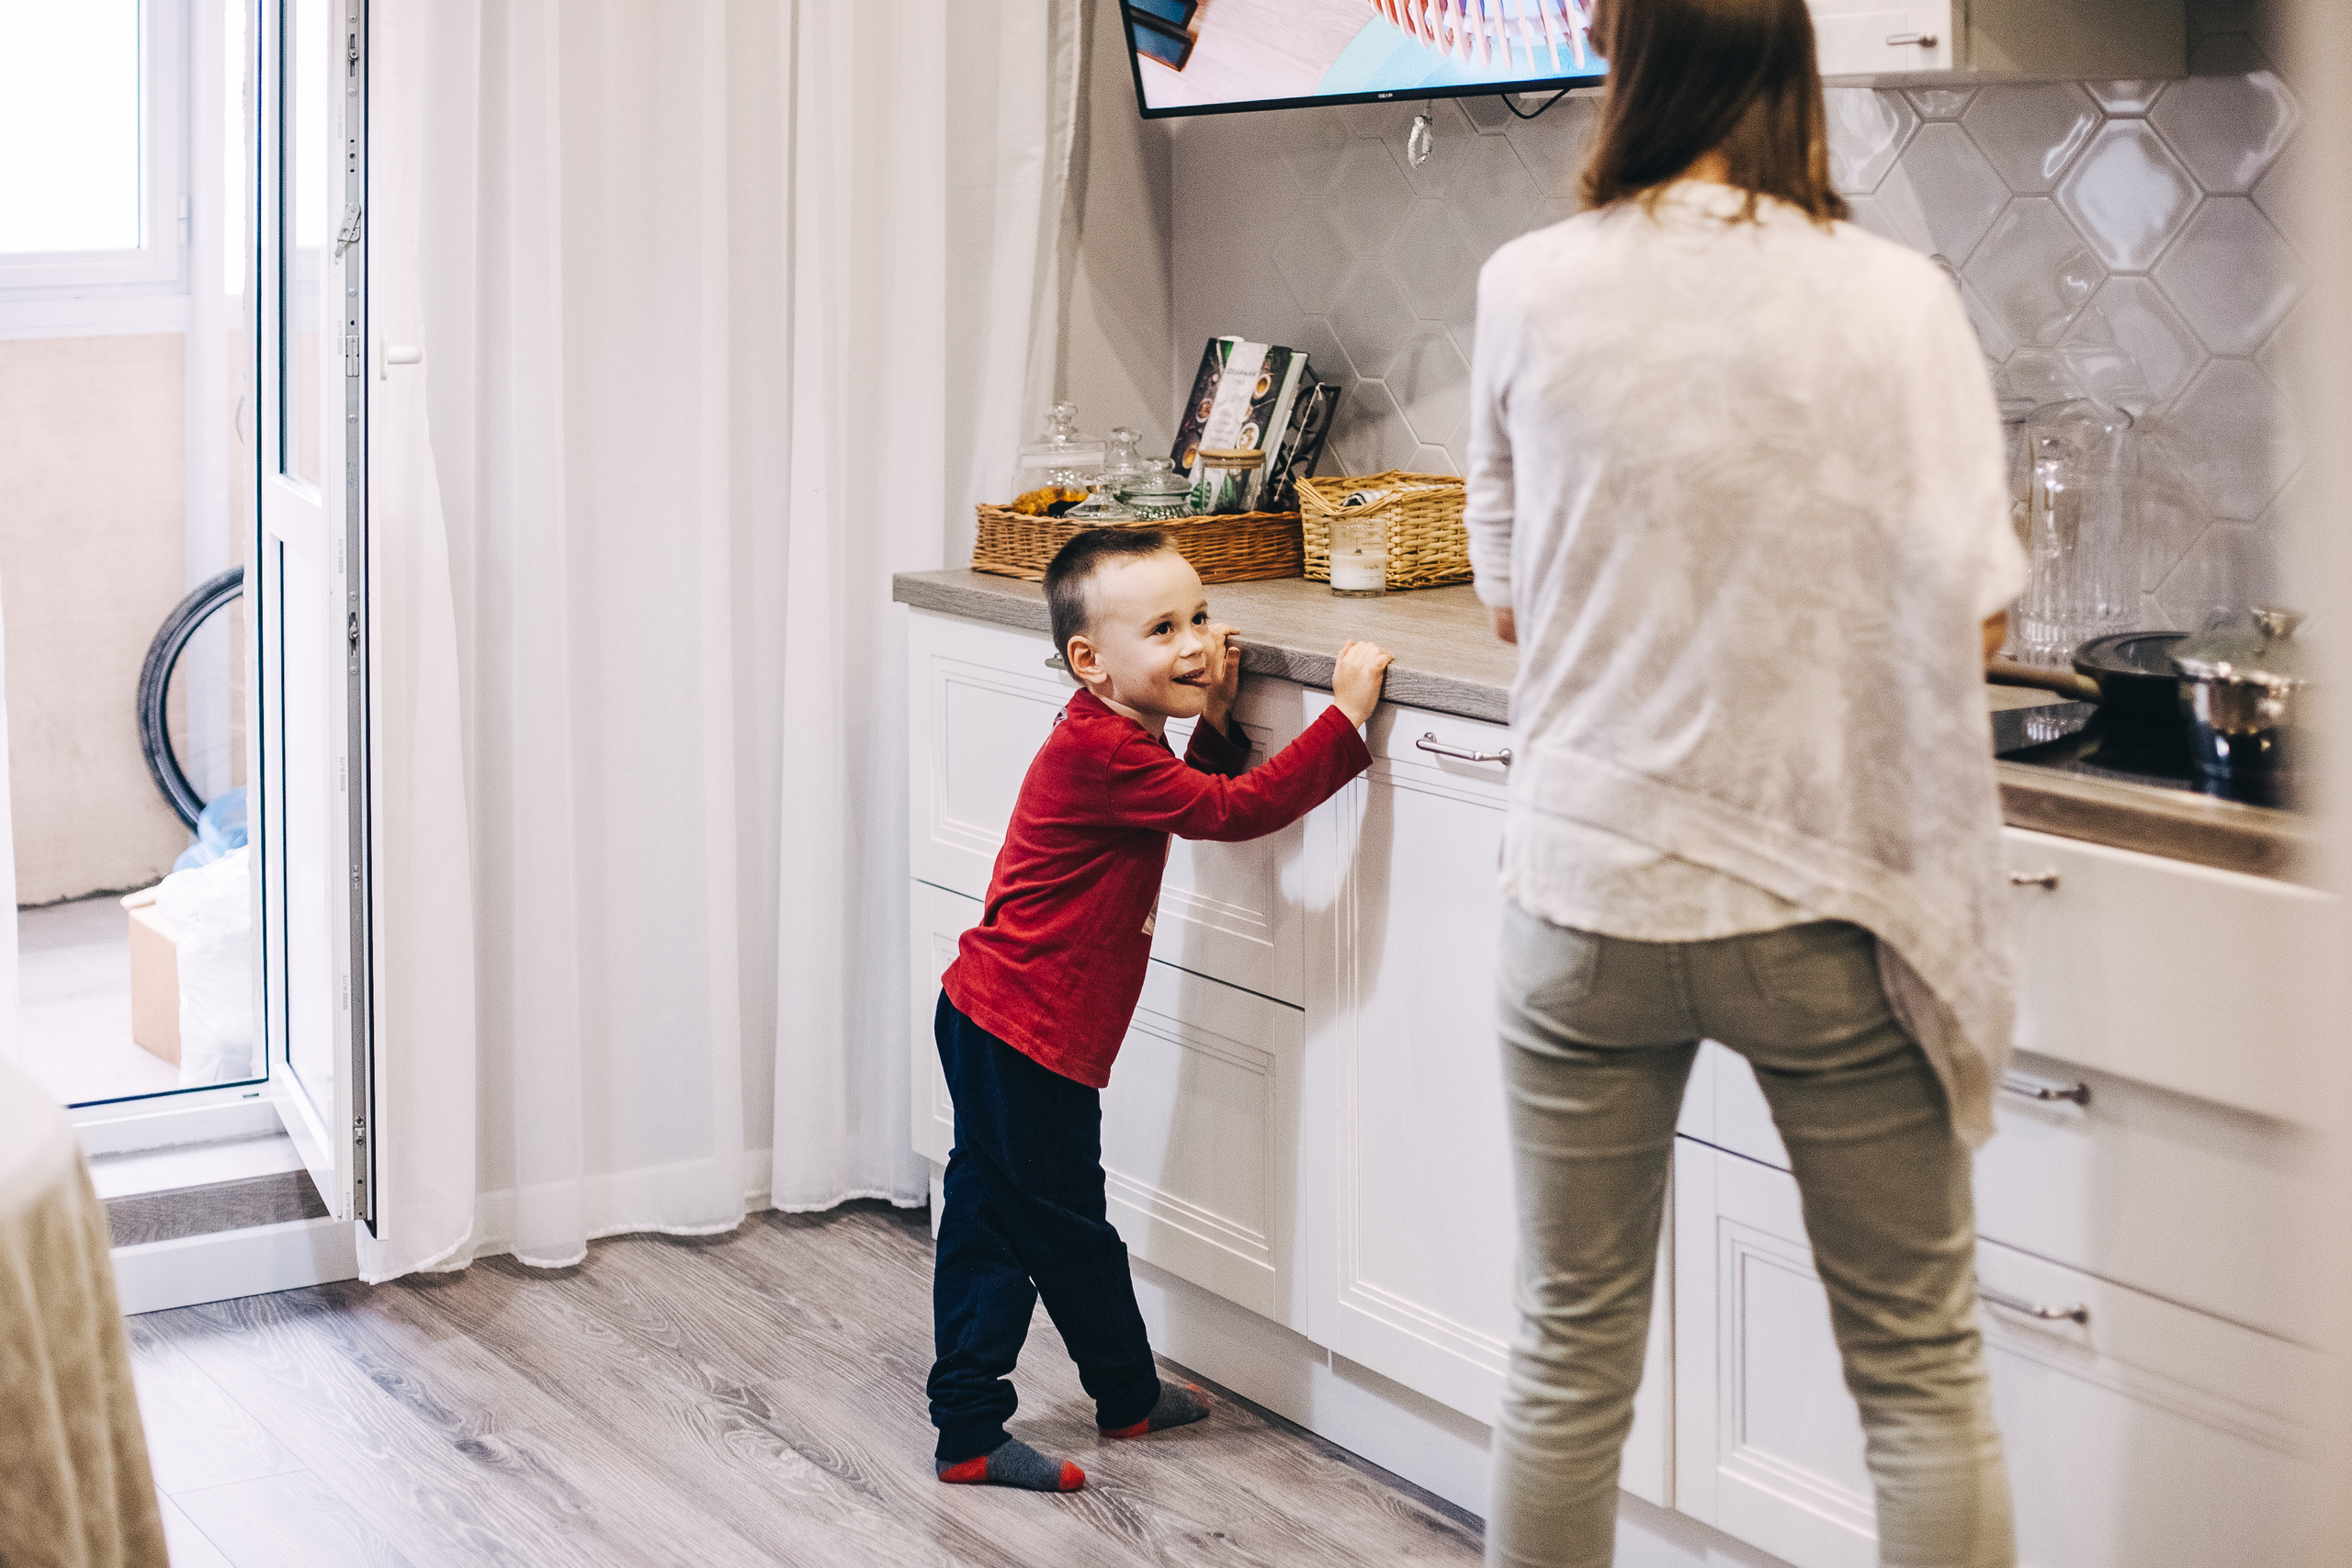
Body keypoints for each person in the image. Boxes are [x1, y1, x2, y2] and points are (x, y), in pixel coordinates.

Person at [1462, 1, 2027, 1564]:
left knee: (1566, 1356)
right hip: (1825, 899)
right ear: (1788, 51)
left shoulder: (1527, 284)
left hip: (1586, 897)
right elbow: (1977, 616)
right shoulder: (1897, 298)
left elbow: (1508, 599)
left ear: (1623, 50)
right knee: (1920, 1373)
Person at [928, 527, 1394, 1492]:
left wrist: (1214, 719)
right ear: (1090, 661)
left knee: (1018, 1219)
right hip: (1022, 1037)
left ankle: (1111, 1396)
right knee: (1045, 1232)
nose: (1195, 643)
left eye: (1199, 617)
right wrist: (1343, 720)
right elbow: (1229, 812)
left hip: (1005, 1023)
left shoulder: (1114, 738)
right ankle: (985, 1424)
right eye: (1163, 630)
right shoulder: (1105, 751)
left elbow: (1190, 794)